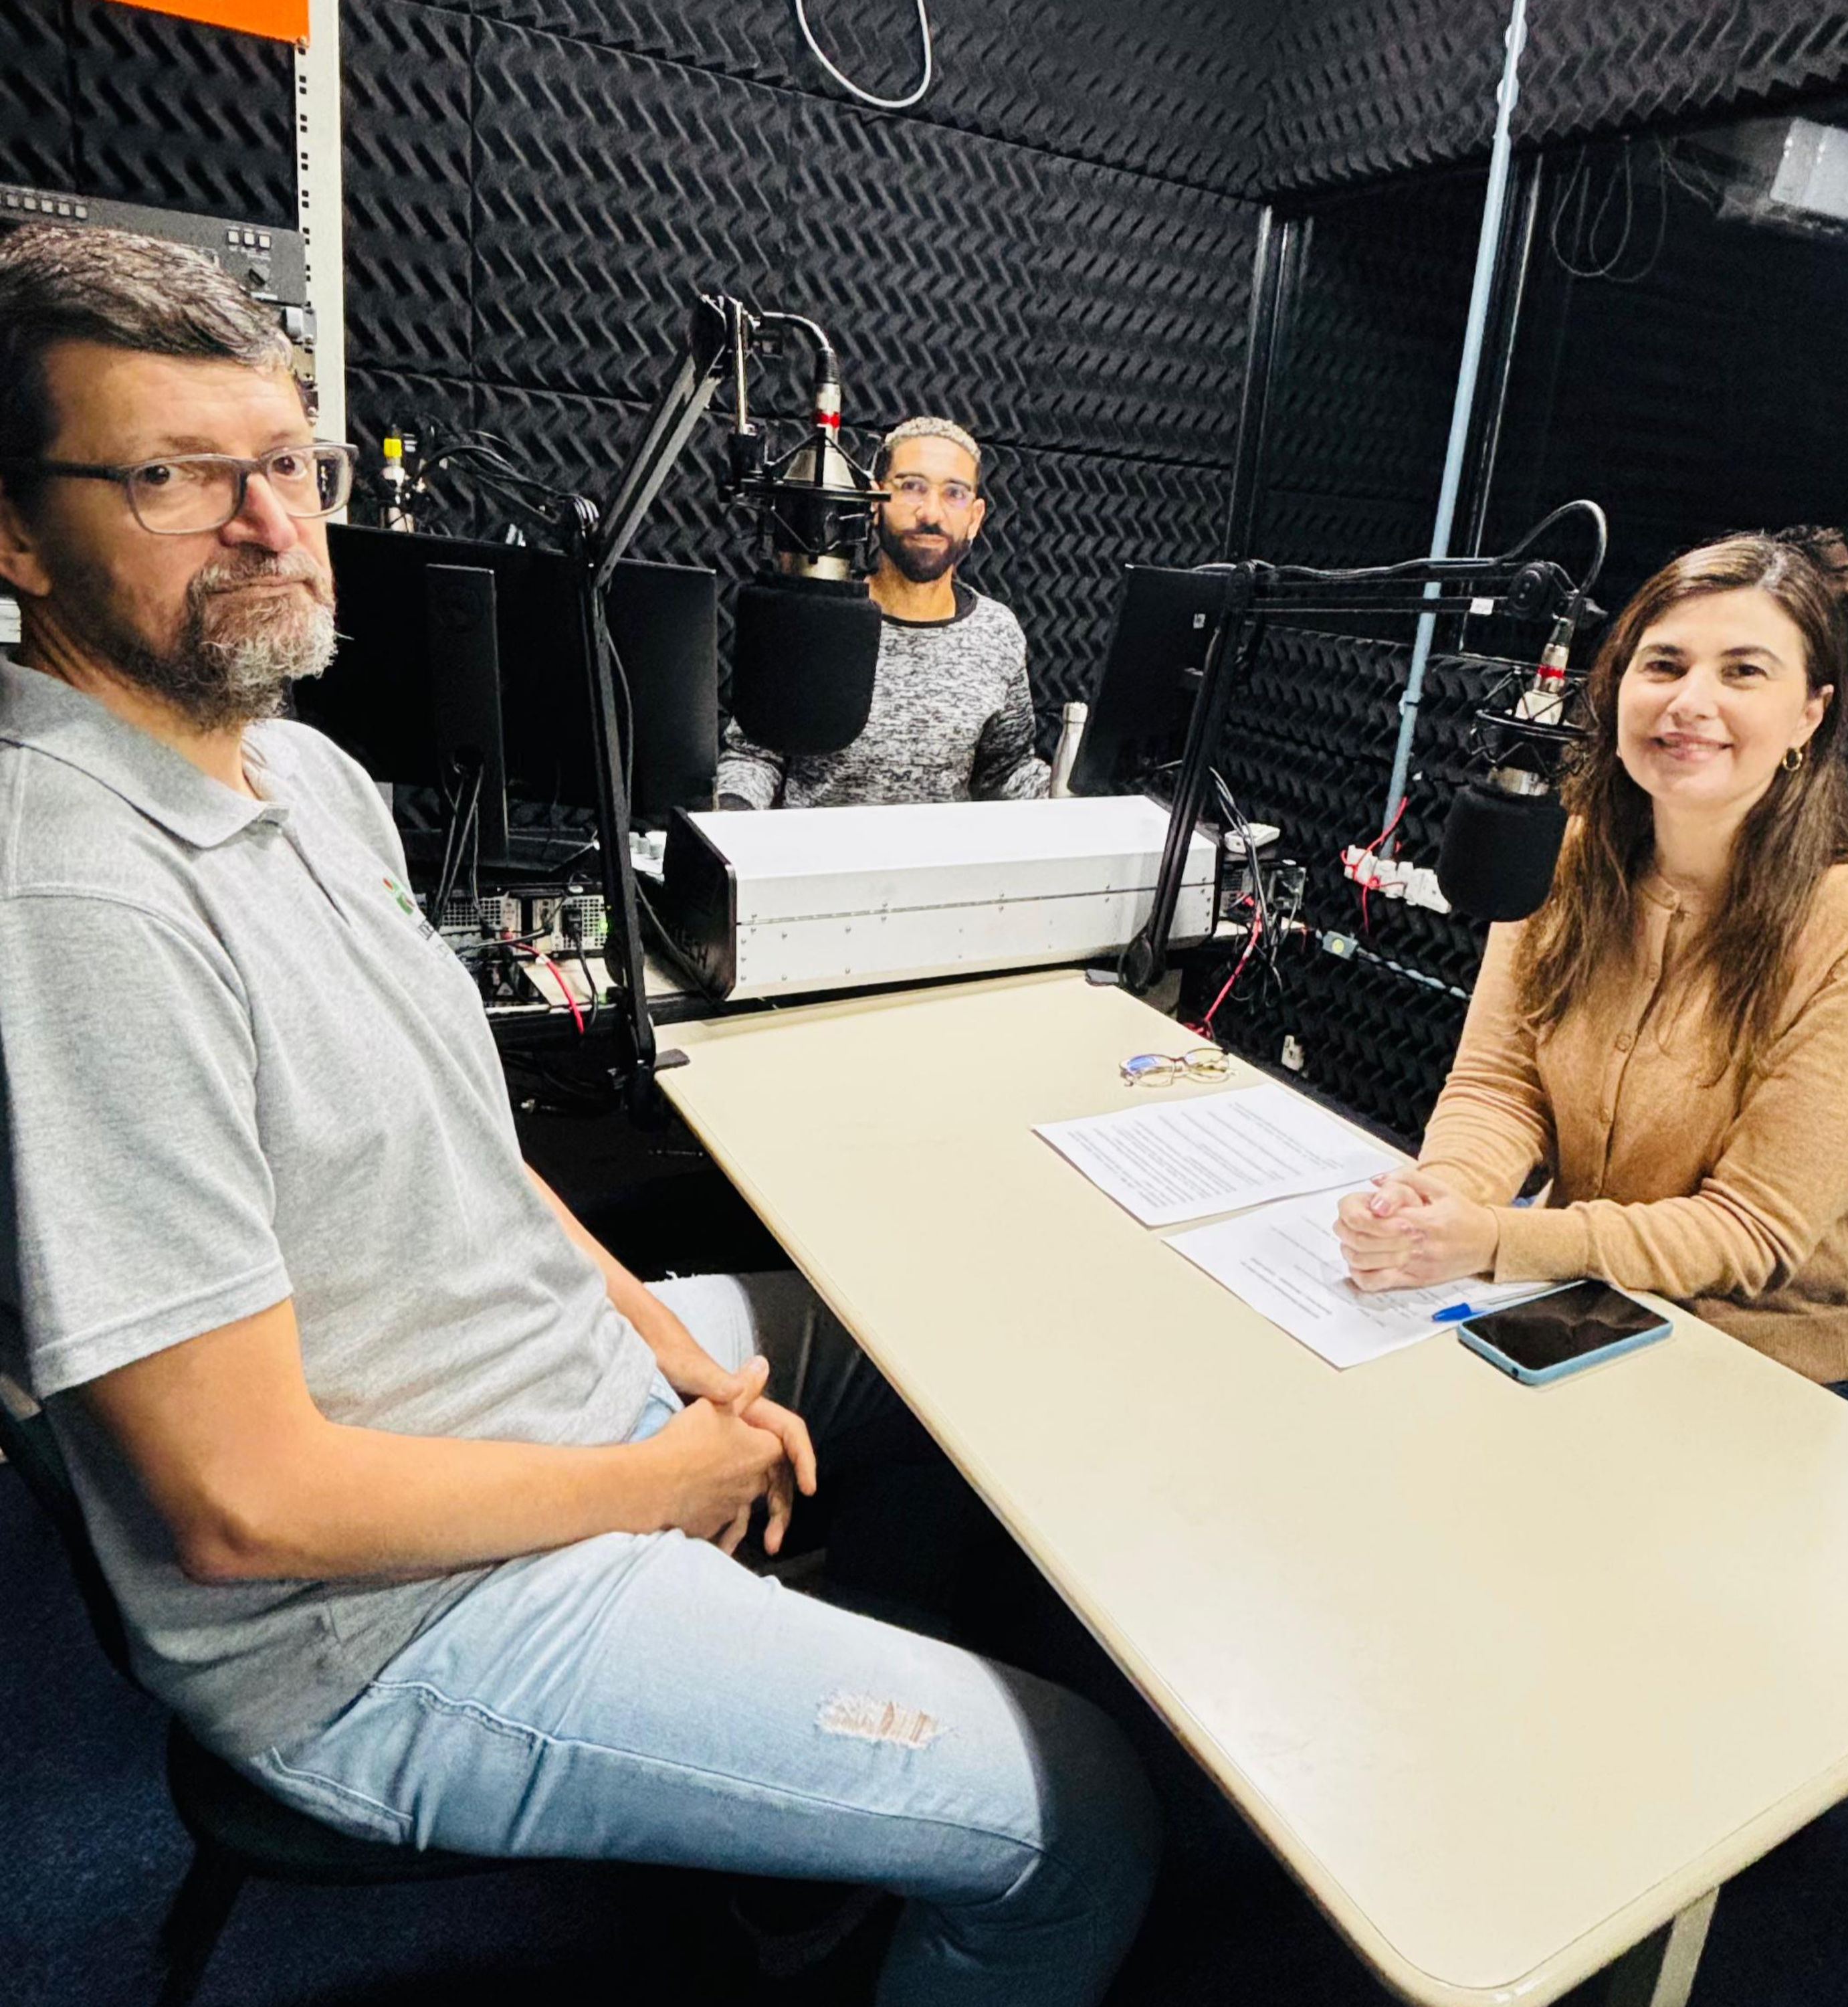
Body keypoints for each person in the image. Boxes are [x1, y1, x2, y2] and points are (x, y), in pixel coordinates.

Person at [0, 225, 1156, 2006]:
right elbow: (239, 1504)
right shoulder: (76, 898)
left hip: (553, 1401)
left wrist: (659, 1350)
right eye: (172, 476)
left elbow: (465, 1158)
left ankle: (809, 1808)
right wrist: (656, 1480)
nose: (269, 521)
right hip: (387, 1622)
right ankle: (895, 1795)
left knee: (934, 1342)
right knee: (1080, 1818)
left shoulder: (305, 773)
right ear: (18, 535)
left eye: (289, 463)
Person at [1334, 535, 1848, 1416]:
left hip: (1770, 1370)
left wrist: (1495, 1238)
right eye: (1663, 664)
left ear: (1810, 715)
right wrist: (1437, 1198)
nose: (1690, 701)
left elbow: (1752, 1231)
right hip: (1567, 1308)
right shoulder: (1565, 857)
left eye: (1743, 672)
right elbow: (1499, 1086)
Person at [716, 415, 1049, 807]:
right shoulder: (817, 615)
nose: (931, 514)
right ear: (875, 503)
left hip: (941, 848)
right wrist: (733, 810)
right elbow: (756, 755)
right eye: (912, 487)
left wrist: (1071, 796)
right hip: (819, 845)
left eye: (954, 494)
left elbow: (1006, 770)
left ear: (975, 518)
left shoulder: (997, 631)